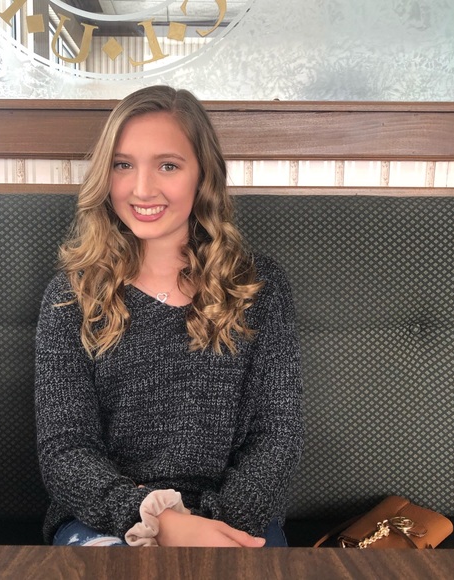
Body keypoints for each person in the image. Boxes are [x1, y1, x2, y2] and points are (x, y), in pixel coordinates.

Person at [34, 85, 303, 548]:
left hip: (234, 522)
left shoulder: (258, 287)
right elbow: (66, 449)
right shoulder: (71, 297)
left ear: (203, 175)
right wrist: (158, 521)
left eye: (168, 166)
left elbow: (277, 435)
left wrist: (212, 526)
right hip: (106, 522)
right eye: (123, 165)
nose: (142, 188)